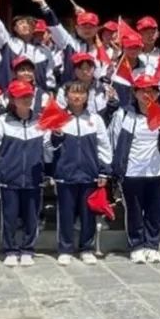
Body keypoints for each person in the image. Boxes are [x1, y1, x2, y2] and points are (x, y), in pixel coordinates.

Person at [110, 75, 160, 263]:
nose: (147, 94)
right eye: (143, 90)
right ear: (135, 93)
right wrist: (117, 168)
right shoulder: (124, 114)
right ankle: (136, 245)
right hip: (132, 171)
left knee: (155, 211)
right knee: (134, 211)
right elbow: (114, 140)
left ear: (158, 93)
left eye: (152, 90)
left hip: (158, 171)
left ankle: (152, 245)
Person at [49, 79, 113, 265]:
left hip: (89, 174)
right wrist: (56, 136)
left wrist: (104, 171)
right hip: (65, 175)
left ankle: (87, 248)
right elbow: (48, 147)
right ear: (66, 96)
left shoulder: (95, 119)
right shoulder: (57, 118)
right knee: (66, 214)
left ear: (87, 96)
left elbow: (104, 146)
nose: (77, 96)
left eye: (81, 92)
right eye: (73, 92)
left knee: (88, 214)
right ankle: (65, 248)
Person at [0, 80, 51, 266]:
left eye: (29, 96)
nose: (26, 99)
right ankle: (10, 249)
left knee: (32, 216)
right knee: (9, 217)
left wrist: (57, 136)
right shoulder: (2, 121)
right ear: (12, 99)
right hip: (9, 178)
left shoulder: (41, 121)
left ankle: (27, 249)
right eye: (21, 96)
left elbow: (49, 148)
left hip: (33, 178)